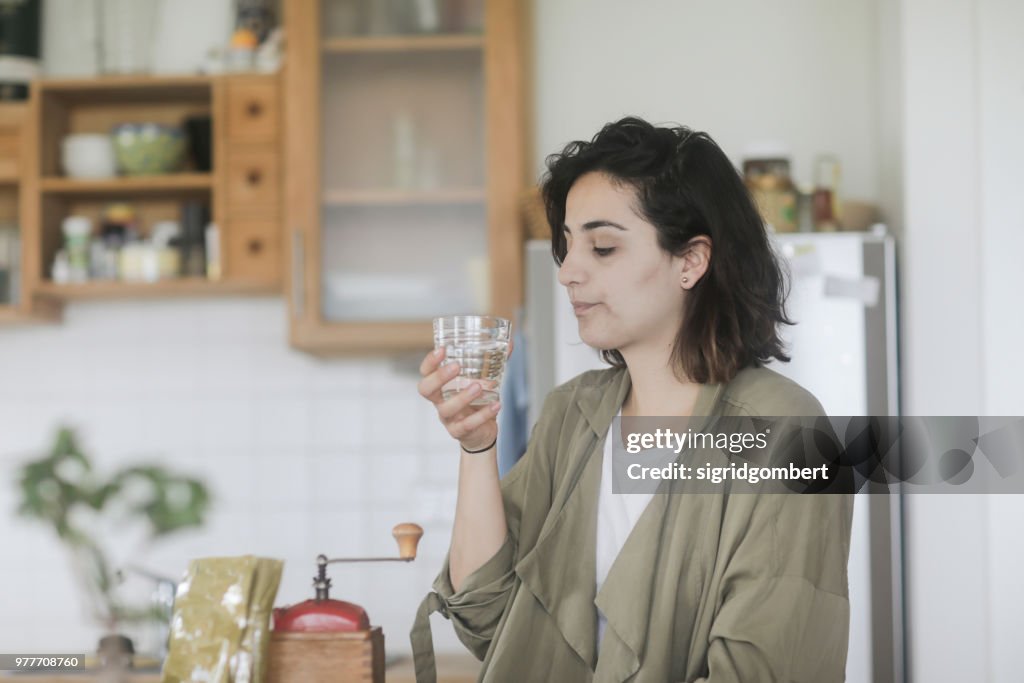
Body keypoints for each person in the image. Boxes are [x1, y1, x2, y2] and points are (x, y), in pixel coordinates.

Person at [409, 117, 854, 682]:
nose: (569, 272)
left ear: (691, 261)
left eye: (602, 246)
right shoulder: (571, 414)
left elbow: (768, 669)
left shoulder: (788, 430)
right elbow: (488, 619)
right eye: (567, 246)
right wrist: (477, 447)